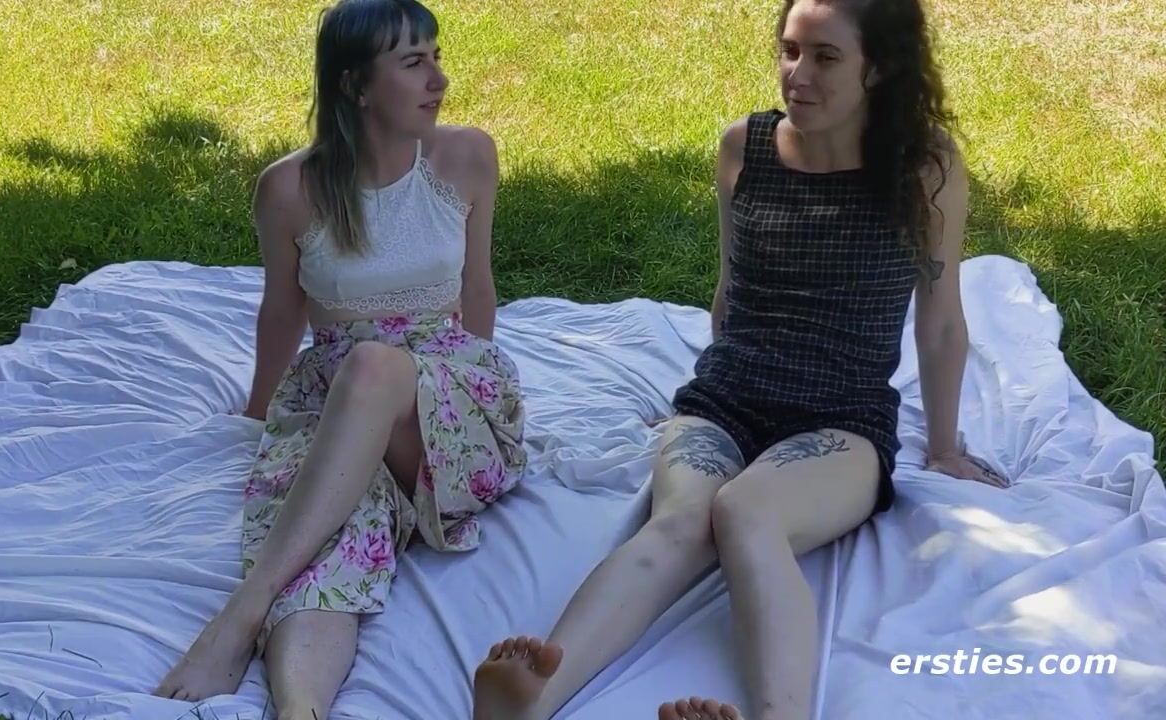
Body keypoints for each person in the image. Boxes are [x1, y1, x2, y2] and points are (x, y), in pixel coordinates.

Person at [471, 0, 1008, 719]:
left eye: (825, 57)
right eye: (790, 50)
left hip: (842, 420)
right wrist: (702, 391)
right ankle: (531, 698)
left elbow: (939, 322)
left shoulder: (924, 168)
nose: (798, 74)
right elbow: (730, 293)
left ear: (878, 68)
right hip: (725, 400)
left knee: (747, 510)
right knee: (680, 523)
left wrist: (942, 447)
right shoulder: (743, 149)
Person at [152, 2, 527, 718]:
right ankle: (302, 707)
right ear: (356, 85)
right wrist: (259, 413)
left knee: (374, 366)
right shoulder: (289, 190)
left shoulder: (467, 158)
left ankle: (241, 611)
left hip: (448, 413)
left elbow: (478, 290)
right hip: (336, 404)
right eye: (413, 63)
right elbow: (283, 310)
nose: (439, 79)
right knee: (323, 549)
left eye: (436, 57)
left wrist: (481, 390)